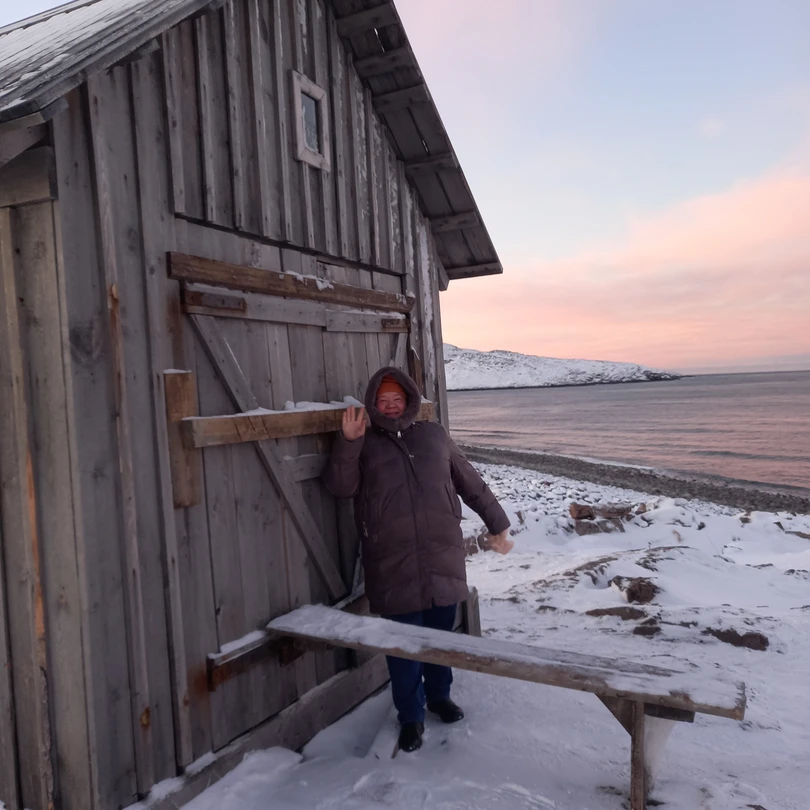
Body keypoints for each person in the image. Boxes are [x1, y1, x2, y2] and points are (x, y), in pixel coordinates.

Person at [322, 366, 513, 753]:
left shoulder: (435, 436)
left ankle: (439, 697)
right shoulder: (366, 443)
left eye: (397, 399)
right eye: (383, 401)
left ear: (409, 400)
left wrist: (498, 524)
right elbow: (341, 489)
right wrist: (348, 443)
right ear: (374, 405)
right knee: (402, 643)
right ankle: (410, 716)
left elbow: (470, 482)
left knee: (440, 637)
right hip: (392, 561)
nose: (391, 407)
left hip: (442, 556)